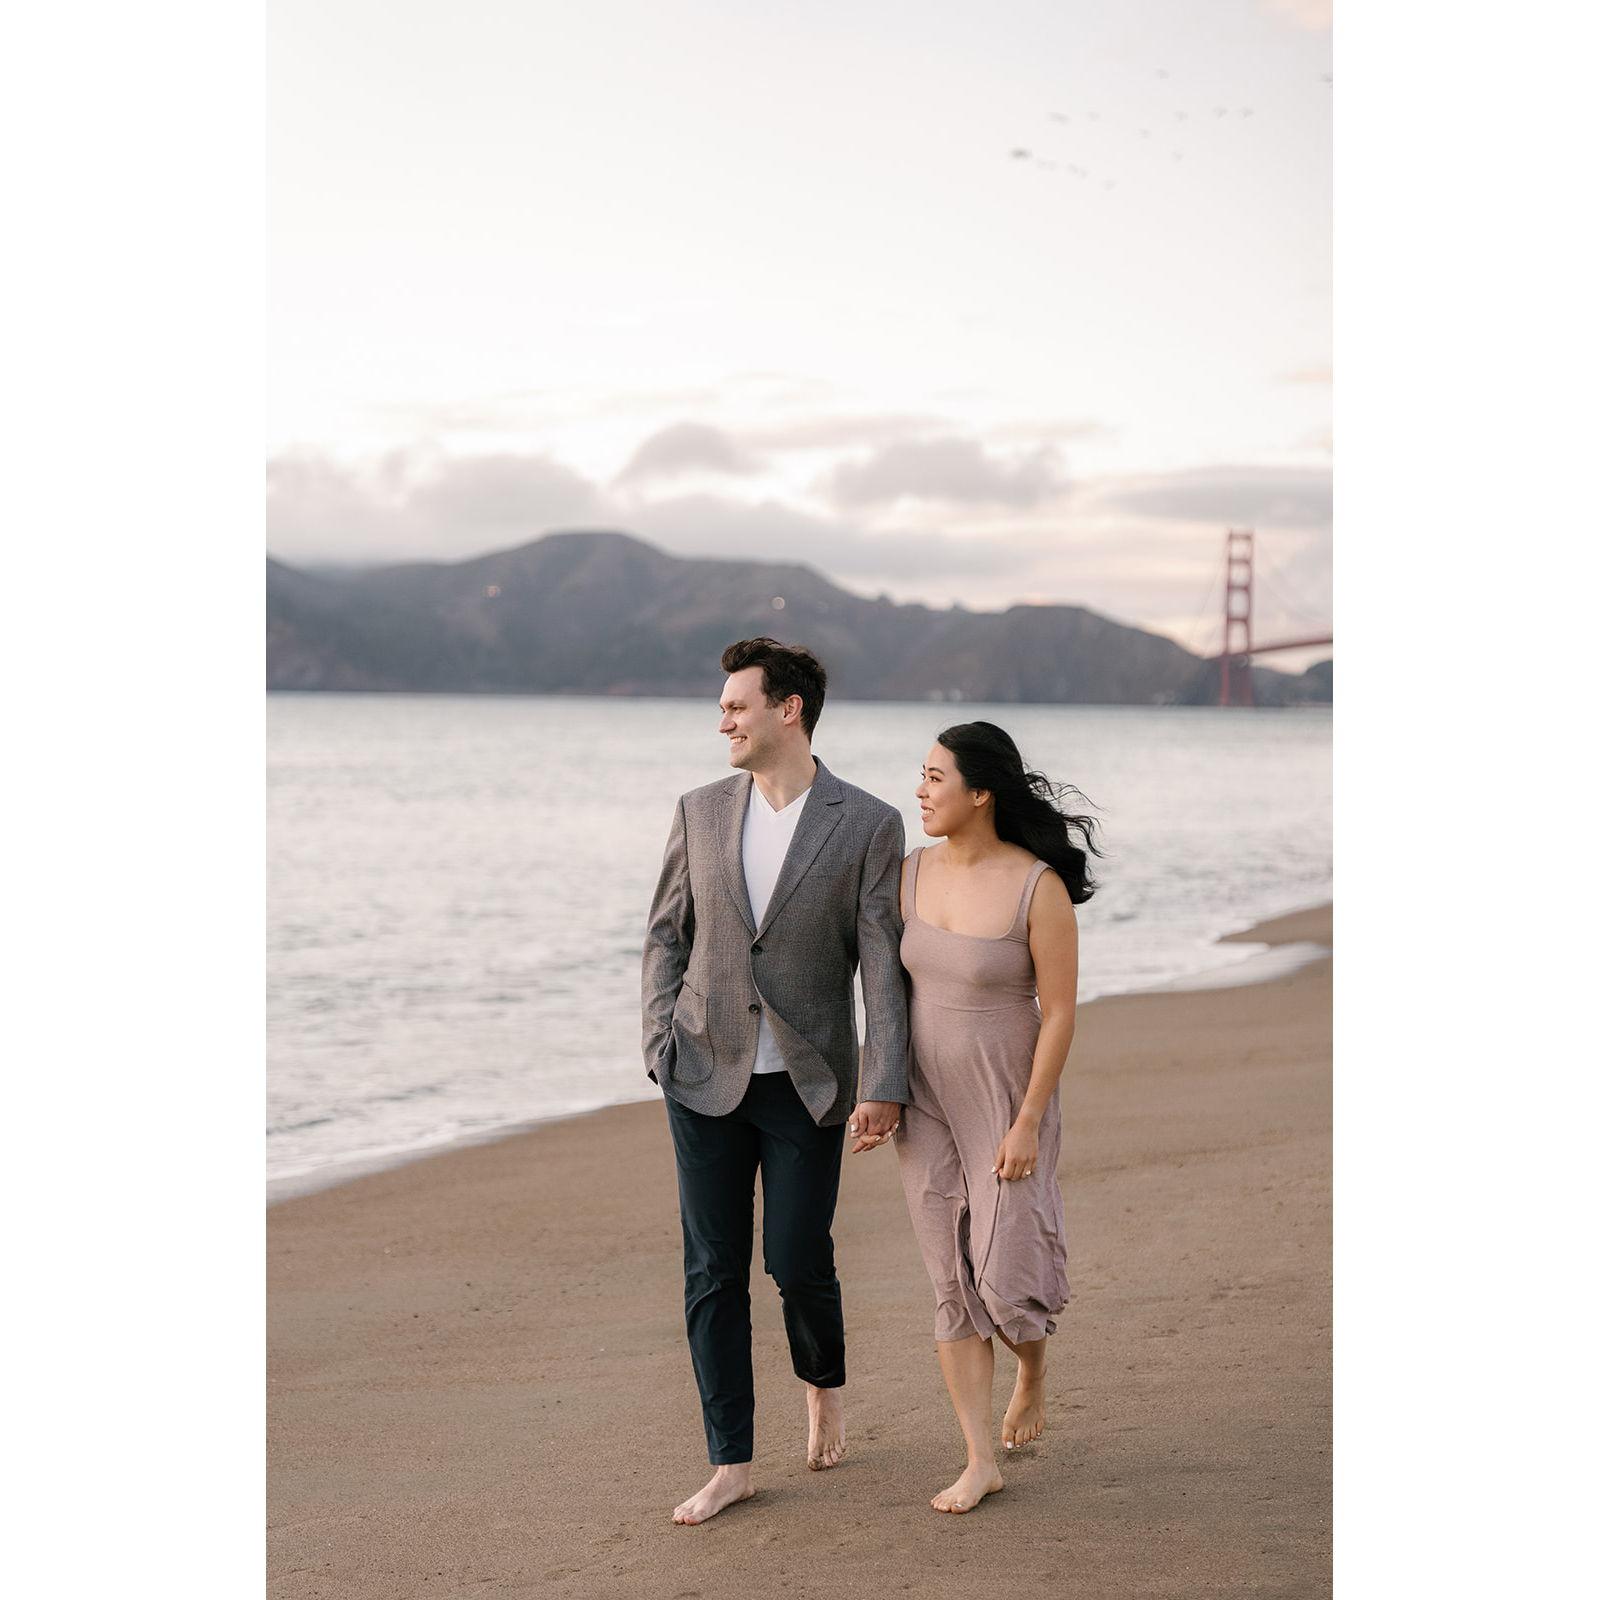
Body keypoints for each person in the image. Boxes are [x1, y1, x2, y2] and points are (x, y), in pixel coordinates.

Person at [641, 637, 909, 1526]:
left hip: (809, 1084)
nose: (722, 718)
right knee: (712, 1273)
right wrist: (657, 1044)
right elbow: (666, 935)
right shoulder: (700, 808)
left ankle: (822, 1382)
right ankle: (731, 1462)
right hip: (702, 1073)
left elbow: (880, 965)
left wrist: (884, 1080)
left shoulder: (866, 823)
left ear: (786, 710)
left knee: (796, 1259)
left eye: (736, 705)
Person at [894, 720, 1103, 1514]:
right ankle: (979, 1459)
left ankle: (1034, 1369)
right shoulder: (907, 875)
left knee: (1005, 1276)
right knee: (951, 1279)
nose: (920, 790)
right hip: (926, 1103)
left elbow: (1058, 1014)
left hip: (1005, 1100)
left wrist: (1027, 1121)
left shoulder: (1035, 887)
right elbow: (887, 991)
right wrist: (878, 1091)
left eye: (935, 777)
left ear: (981, 793)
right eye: (921, 775)